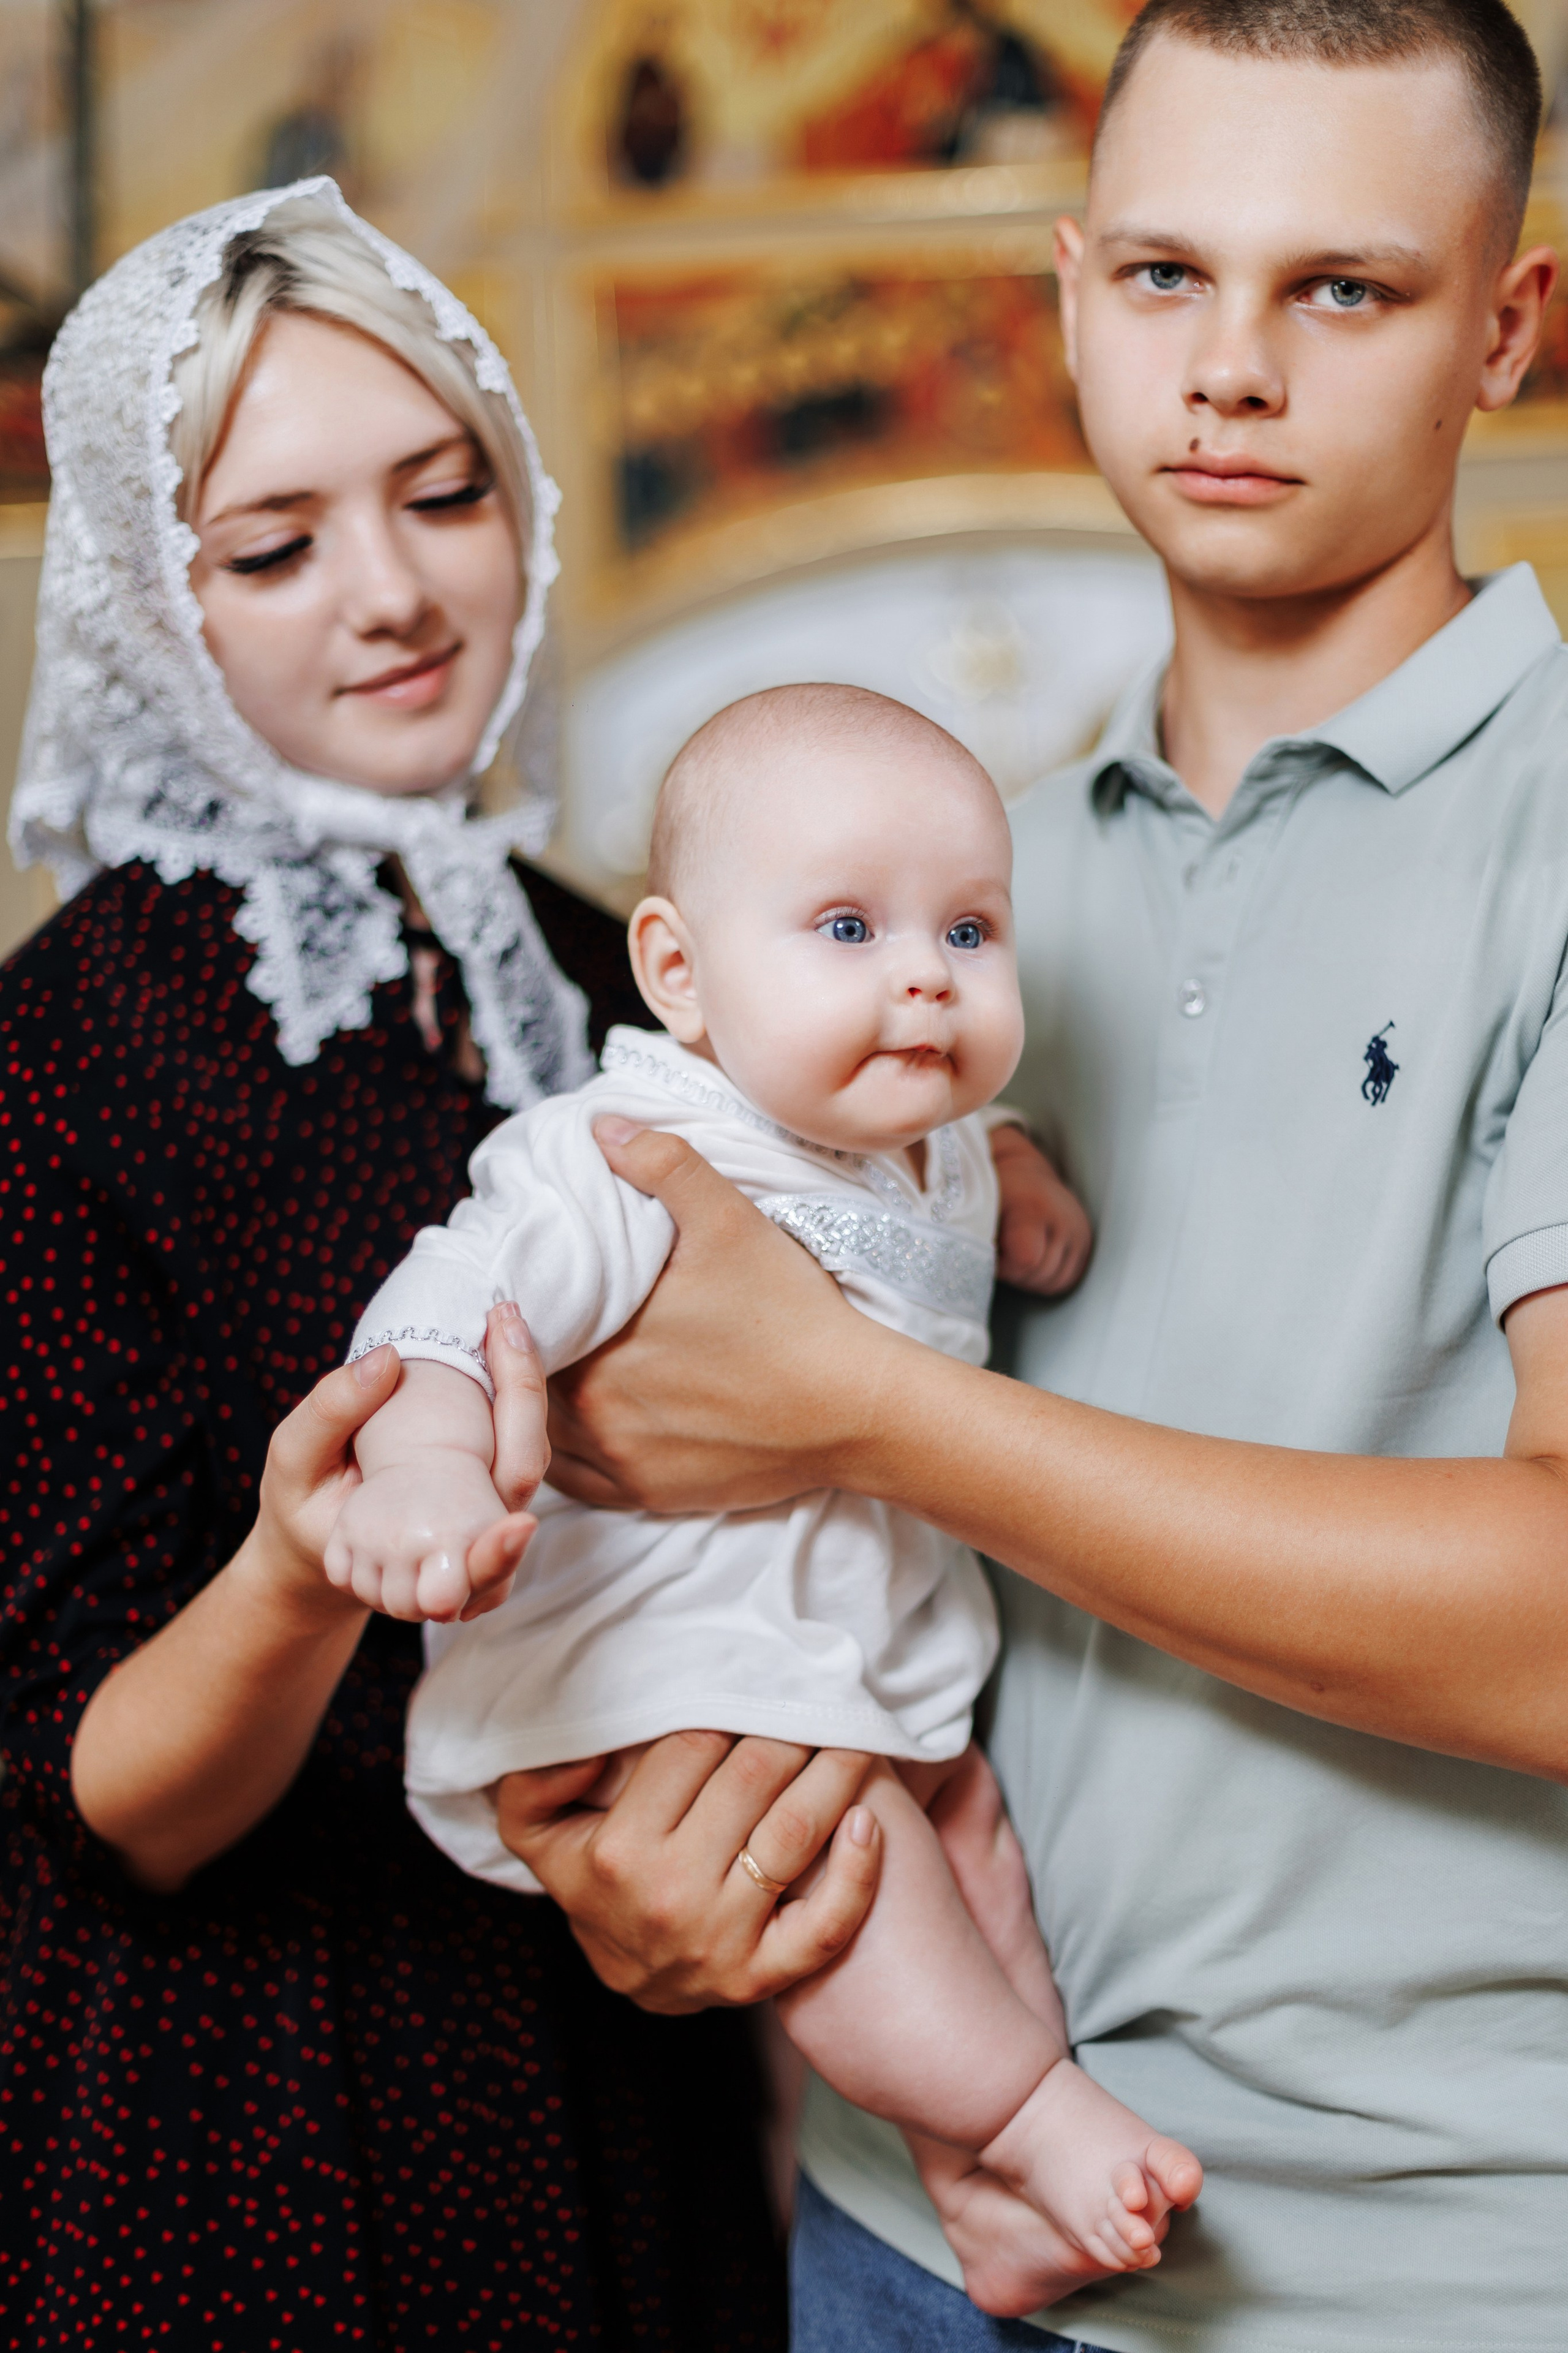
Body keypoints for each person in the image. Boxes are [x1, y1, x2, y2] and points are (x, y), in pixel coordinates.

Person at [488, 4, 1568, 2350]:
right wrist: (657, 1848)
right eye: (1166, 277)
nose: (1233, 371)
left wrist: (861, 1406)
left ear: (1510, 326)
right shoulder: (958, 913)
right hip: (899, 2223)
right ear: (1069, 293)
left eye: (1345, 290)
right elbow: (728, 1503)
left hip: (1412, 2270)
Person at [0, 178, 791, 2347]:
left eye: (446, 492)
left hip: (621, 2047)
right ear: (154, 601)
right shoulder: (64, 1055)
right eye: (274, 547)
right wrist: (292, 1566)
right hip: (261, 2113)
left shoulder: (585, 957)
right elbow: (97, 1808)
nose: (394, 593)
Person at [326, 681, 1198, 2313]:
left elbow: (949, 1143)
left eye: (972, 929)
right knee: (860, 1866)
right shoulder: (635, 1151)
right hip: (671, 1660)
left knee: (970, 1839)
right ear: (679, 973)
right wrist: (432, 1456)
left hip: (843, 1636)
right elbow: (453, 1299)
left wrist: (1007, 1173)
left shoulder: (924, 1136)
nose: (925, 972)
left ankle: (974, 2183)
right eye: (850, 924)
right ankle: (1024, 2110)